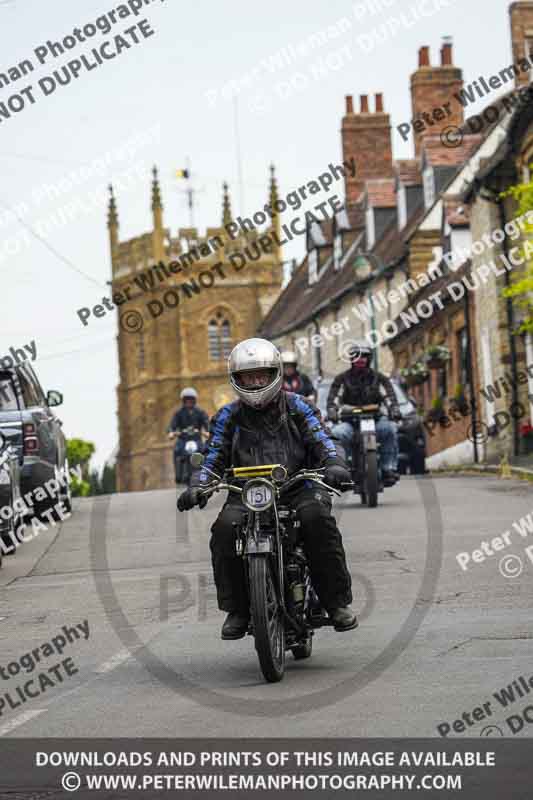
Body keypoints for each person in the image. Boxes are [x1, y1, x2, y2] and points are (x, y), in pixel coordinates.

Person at [177, 338, 357, 640]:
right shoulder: (226, 417)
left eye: (261, 375)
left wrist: (335, 464)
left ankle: (335, 602)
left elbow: (323, 440)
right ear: (237, 380)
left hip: (300, 485)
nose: (256, 382)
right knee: (224, 529)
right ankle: (238, 609)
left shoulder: (299, 406)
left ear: (275, 374)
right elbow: (212, 458)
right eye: (248, 377)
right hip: (248, 491)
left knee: (317, 521)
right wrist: (199, 486)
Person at [327, 341, 401, 484]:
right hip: (350, 422)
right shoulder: (342, 379)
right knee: (337, 434)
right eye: (356, 357)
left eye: (364, 357)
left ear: (369, 359)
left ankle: (388, 468)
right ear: (351, 360)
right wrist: (332, 410)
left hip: (375, 420)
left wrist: (394, 409)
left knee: (390, 429)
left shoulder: (379, 378)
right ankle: (343, 470)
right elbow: (335, 398)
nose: (360, 360)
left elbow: (388, 396)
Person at [167, 387, 209, 484]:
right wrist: (171, 433)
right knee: (177, 451)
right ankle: (178, 475)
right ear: (183, 401)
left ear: (194, 400)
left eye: (191, 399)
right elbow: (172, 425)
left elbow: (207, 425)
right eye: (187, 400)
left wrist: (207, 432)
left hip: (196, 439)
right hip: (183, 439)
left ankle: (204, 476)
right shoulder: (178, 413)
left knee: (205, 452)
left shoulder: (200, 412)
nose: (189, 402)